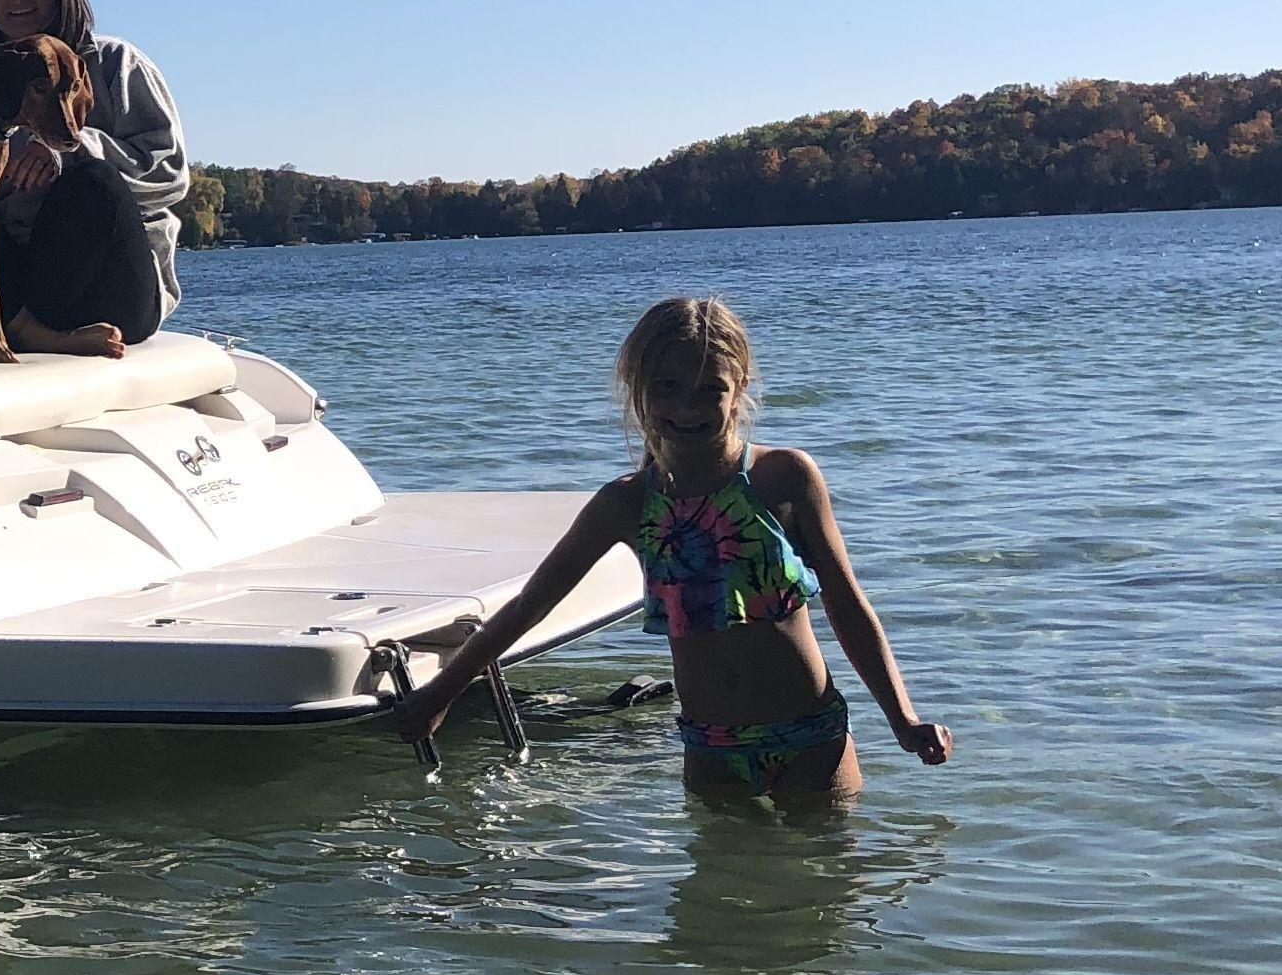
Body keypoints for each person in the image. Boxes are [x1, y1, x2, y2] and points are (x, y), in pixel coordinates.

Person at [397, 295, 950, 805]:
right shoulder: (627, 504)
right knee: (720, 882)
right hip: (710, 748)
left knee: (824, 880)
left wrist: (902, 718)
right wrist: (440, 693)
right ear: (636, 388)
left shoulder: (784, 478)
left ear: (739, 388)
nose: (688, 406)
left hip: (811, 738)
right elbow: (529, 606)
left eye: (709, 389)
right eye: (666, 387)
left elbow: (847, 602)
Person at [0, 0, 187, 359]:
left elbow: (170, 176)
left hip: (113, 293)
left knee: (94, 181)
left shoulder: (117, 63)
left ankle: (25, 327)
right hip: (17, 291)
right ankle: (21, 328)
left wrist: (68, 149)